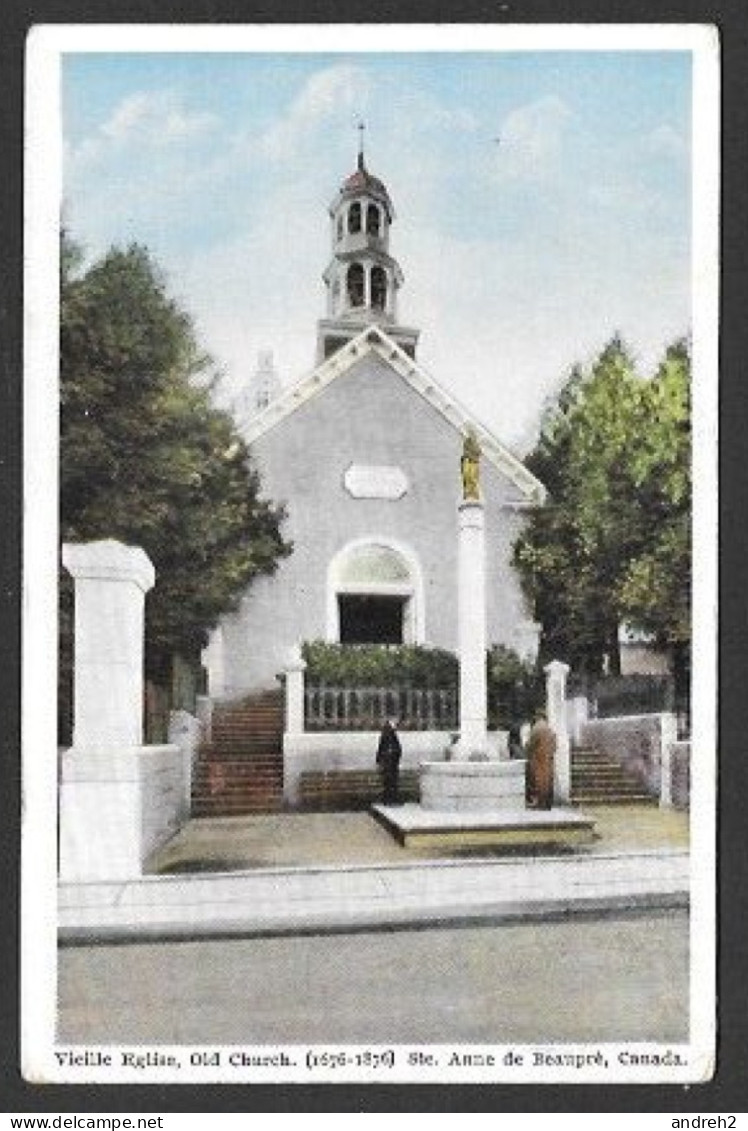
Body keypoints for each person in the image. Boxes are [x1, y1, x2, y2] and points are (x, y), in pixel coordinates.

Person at [525, 713, 556, 809]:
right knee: (548, 781)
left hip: (539, 758)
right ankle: (547, 804)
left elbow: (530, 745)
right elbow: (555, 745)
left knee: (539, 781)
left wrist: (527, 749)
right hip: (548, 759)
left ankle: (540, 803)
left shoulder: (536, 728)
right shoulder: (549, 729)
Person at [376, 718, 402, 805]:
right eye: (395, 723)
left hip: (391, 762)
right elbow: (383, 747)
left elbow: (382, 748)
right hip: (389, 762)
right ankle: (389, 800)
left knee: (391, 782)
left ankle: (391, 800)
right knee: (390, 782)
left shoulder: (390, 732)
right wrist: (380, 760)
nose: (397, 724)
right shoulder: (388, 732)